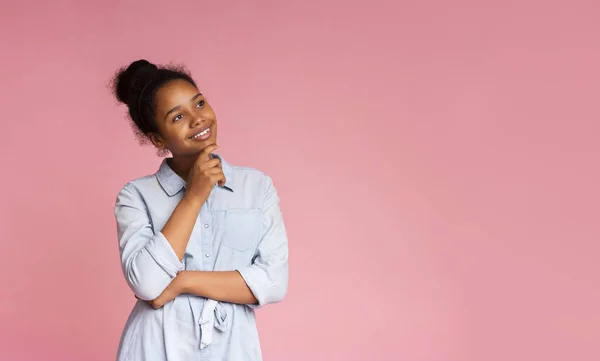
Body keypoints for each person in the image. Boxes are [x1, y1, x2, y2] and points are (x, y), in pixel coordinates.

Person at [110, 59, 289, 361]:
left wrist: (182, 282)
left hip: (234, 349)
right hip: (156, 347)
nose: (198, 119)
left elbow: (273, 282)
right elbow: (147, 284)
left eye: (200, 103)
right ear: (158, 139)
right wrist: (193, 197)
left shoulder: (257, 187)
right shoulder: (136, 196)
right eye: (178, 116)